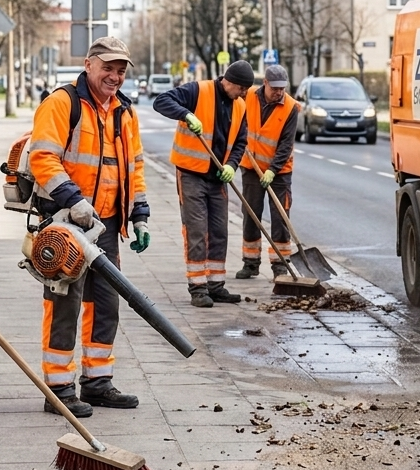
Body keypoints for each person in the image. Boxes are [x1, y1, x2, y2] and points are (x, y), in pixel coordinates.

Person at [27, 37, 149, 418]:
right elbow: (42, 157)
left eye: (121, 70)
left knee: (106, 304)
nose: (115, 76)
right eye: (108, 67)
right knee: (66, 303)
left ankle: (97, 382)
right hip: (67, 222)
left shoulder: (125, 113)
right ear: (88, 64)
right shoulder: (62, 103)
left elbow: (135, 166)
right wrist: (72, 199)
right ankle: (59, 388)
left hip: (107, 224)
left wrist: (139, 212)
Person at [153, 61, 254, 307]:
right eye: (241, 89)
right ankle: (198, 287)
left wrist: (231, 164)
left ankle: (216, 285)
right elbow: (161, 101)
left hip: (217, 176)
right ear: (228, 81)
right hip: (191, 172)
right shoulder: (198, 90)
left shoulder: (240, 106)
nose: (244, 94)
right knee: (197, 230)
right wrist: (185, 114)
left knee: (219, 231)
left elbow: (241, 141)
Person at [235, 65, 300, 281]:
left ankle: (280, 266)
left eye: (282, 88)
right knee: (251, 214)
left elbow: (285, 144)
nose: (279, 92)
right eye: (275, 88)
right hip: (251, 168)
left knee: (280, 216)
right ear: (265, 83)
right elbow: (236, 119)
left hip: (279, 172)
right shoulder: (248, 96)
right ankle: (250, 263)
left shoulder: (291, 107)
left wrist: (272, 170)